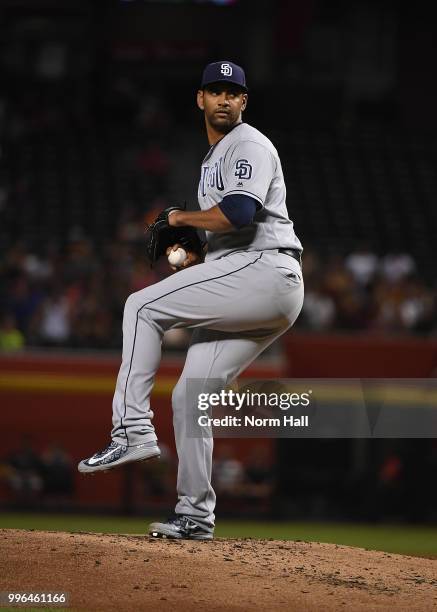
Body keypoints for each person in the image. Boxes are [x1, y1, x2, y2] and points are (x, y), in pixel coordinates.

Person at [78, 61, 304, 540]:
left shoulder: (248, 143)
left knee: (140, 307)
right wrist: (185, 249)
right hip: (252, 277)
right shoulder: (211, 160)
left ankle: (132, 431)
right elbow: (219, 240)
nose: (224, 99)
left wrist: (179, 215)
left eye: (233, 92)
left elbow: (242, 213)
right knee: (190, 395)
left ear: (245, 102)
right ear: (199, 99)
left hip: (265, 270)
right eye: (215, 91)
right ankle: (195, 515)